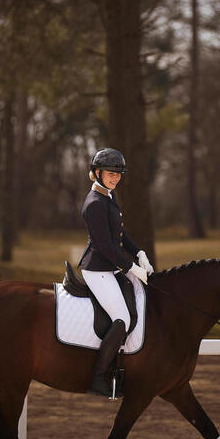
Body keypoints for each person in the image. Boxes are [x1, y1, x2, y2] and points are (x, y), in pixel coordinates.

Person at [79, 148, 154, 397]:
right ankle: (98, 377)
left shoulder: (108, 196)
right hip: (97, 269)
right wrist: (130, 267)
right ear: (97, 173)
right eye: (111, 174)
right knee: (122, 317)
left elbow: (120, 236)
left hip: (110, 266)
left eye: (119, 174)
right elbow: (105, 245)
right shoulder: (94, 203)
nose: (116, 178)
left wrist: (139, 252)